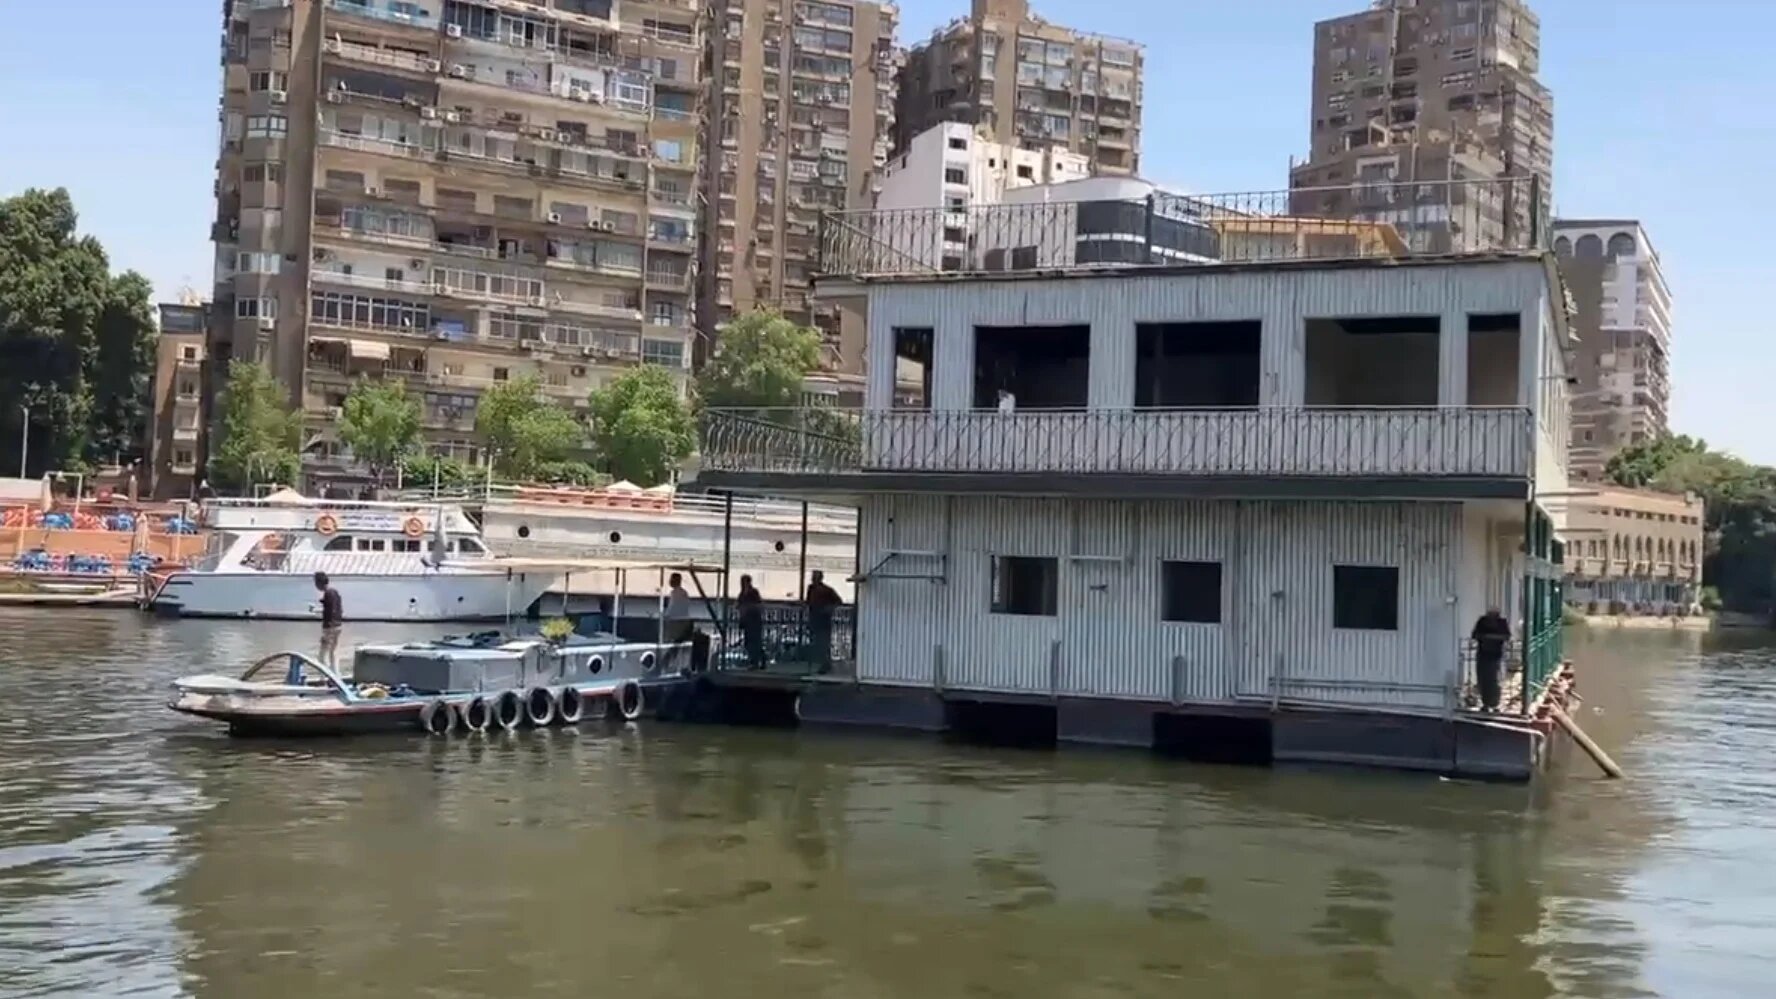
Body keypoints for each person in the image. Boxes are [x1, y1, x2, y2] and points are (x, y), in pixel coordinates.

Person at [1471, 606, 1511, 712]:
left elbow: (1506, 636)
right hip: (1483, 654)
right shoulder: (1482, 621)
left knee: (1494, 680)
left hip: (1495, 655)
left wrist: (1488, 637)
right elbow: (1475, 634)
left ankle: (1494, 704)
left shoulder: (1501, 622)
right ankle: (1485, 703)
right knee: (1483, 679)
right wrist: (1488, 637)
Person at [803, 570, 842, 674]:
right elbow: (808, 602)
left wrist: (828, 609)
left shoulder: (827, 590)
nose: (813, 579)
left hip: (823, 620)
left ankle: (825, 664)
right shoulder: (811, 589)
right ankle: (819, 663)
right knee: (817, 642)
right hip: (814, 619)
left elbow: (838, 601)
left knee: (823, 643)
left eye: (815, 577)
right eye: (813, 577)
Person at [662, 573, 693, 669]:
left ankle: (667, 665)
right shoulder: (684, 593)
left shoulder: (675, 593)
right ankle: (674, 665)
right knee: (679, 647)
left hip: (677, 623)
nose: (670, 581)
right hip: (684, 622)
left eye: (671, 579)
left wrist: (664, 616)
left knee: (673, 646)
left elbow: (672, 608)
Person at [314, 571, 343, 670]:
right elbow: (334, 609)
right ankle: (335, 676)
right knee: (333, 653)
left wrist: (327, 631)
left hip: (329, 628)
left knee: (322, 656)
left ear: (319, 583)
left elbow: (329, 612)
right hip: (338, 626)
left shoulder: (327, 594)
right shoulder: (335, 592)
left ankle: (325, 677)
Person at [735, 574, 765, 670]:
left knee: (755, 642)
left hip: (754, 620)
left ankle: (756, 662)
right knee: (749, 642)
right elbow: (739, 604)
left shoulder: (753, 592)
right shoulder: (742, 593)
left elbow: (758, 605)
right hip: (747, 621)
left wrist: (748, 607)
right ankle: (756, 660)